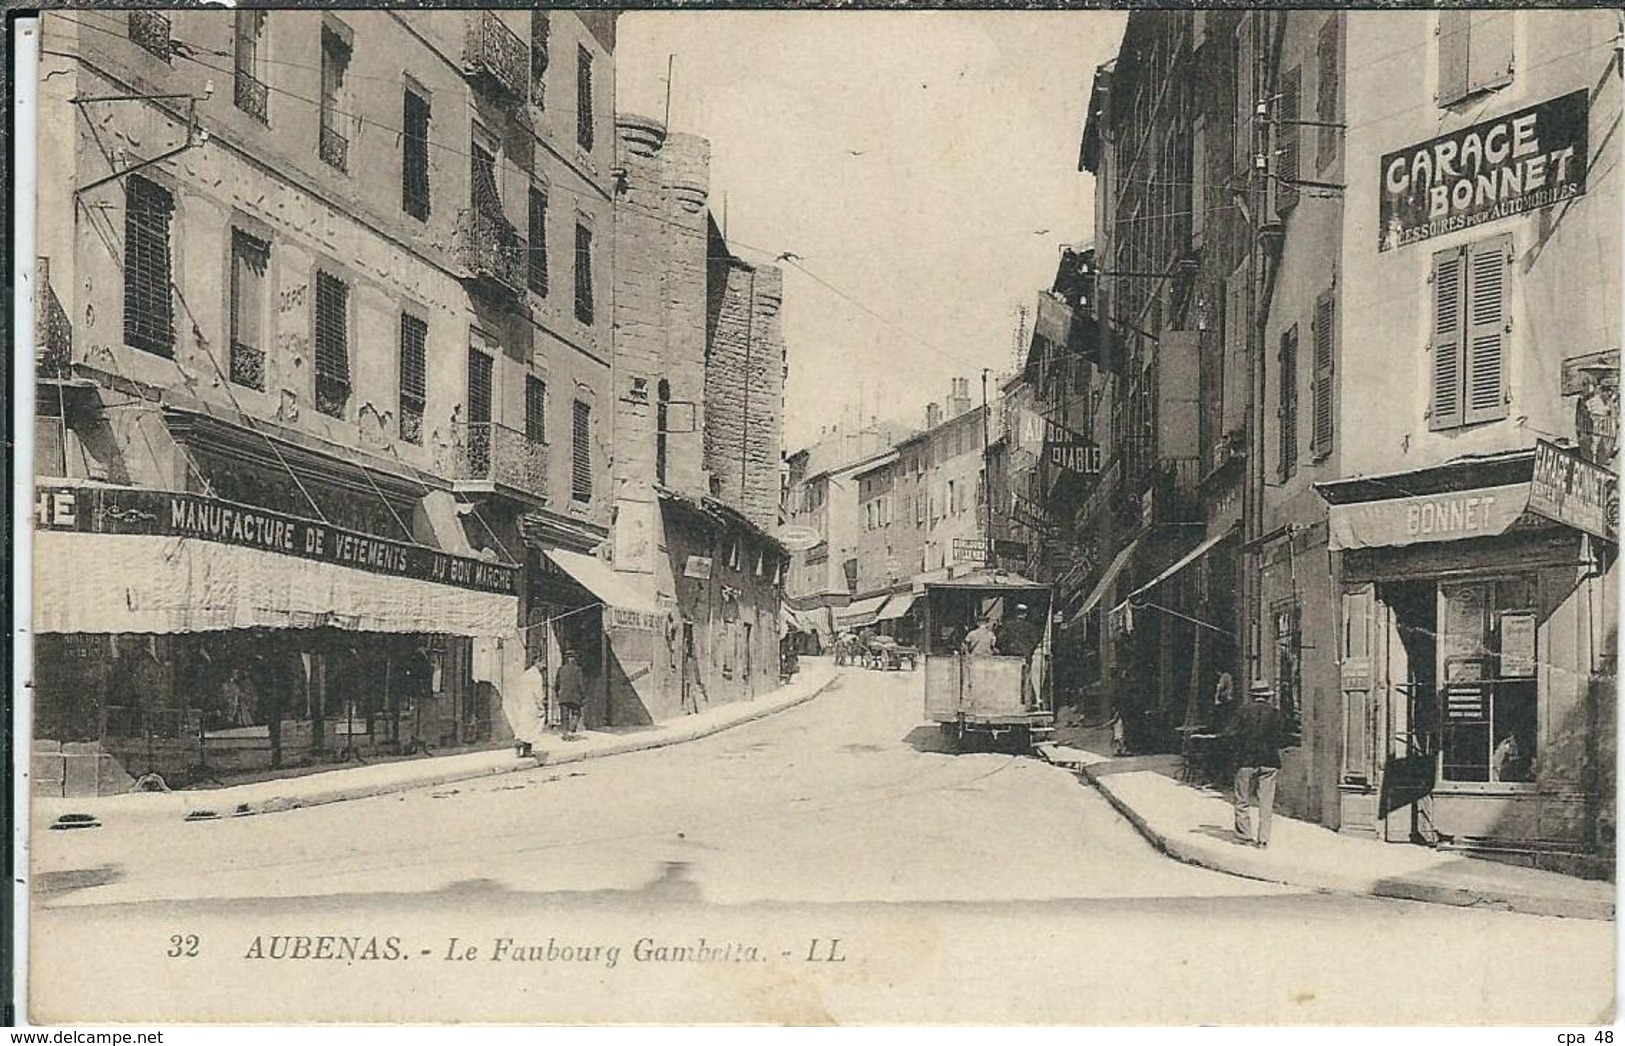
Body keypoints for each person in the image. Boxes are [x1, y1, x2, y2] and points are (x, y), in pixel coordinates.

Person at [1227, 680, 1286, 848]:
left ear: (1252, 696)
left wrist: (1239, 748)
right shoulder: (1275, 713)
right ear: (1267, 697)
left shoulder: (1242, 712)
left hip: (1245, 761)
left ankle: (1244, 836)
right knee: (1266, 802)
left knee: (1242, 800)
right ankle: (1263, 839)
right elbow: (1282, 737)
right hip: (1269, 761)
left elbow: (1230, 734)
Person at [555, 649, 588, 741]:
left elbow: (556, 684)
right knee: (576, 714)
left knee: (564, 716)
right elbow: (581, 684)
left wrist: (558, 694)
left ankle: (565, 734)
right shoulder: (578, 670)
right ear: (574, 659)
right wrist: (583, 695)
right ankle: (571, 731)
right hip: (575, 696)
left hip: (563, 696)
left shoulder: (561, 669)